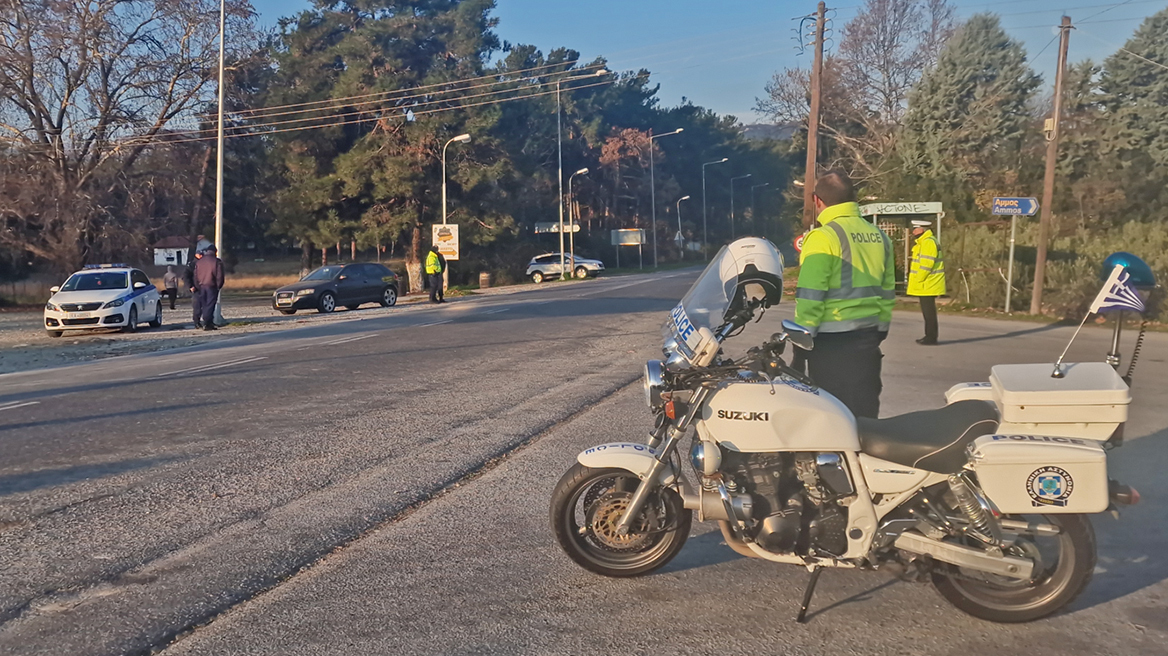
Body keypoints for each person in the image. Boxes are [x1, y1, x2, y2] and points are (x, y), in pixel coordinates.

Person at [794, 169, 896, 419]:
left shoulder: (823, 237)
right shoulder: (880, 237)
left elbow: (810, 297)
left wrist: (799, 343)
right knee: (865, 415)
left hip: (831, 342)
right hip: (868, 340)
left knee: (834, 419)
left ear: (818, 201)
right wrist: (880, 329)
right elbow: (887, 292)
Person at [908, 219, 946, 345]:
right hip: (927, 283)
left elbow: (926, 265)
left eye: (916, 228)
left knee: (929, 313)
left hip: (928, 283)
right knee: (928, 312)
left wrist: (919, 279)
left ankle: (930, 337)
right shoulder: (924, 242)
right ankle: (929, 336)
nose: (913, 231)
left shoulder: (928, 242)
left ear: (922, 229)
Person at [194, 244, 225, 330]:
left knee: (204, 304)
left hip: (201, 285)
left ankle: (208, 322)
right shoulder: (217, 262)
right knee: (210, 305)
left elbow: (195, 275)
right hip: (212, 285)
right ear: (215, 252)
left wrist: (197, 286)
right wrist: (219, 286)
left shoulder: (199, 262)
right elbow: (220, 276)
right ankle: (207, 323)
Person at [184, 252, 203, 329]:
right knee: (197, 306)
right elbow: (185, 276)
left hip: (204, 287)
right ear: (196, 255)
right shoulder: (192, 264)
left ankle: (206, 321)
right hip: (196, 288)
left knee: (205, 306)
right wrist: (190, 286)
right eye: (200, 254)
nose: (202, 256)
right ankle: (196, 322)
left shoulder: (204, 263)